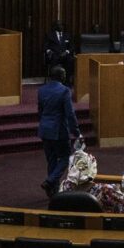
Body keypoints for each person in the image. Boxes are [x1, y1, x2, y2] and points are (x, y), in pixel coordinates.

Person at [38, 66, 81, 197]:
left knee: (51, 160)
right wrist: (76, 132)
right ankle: (50, 181)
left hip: (45, 130)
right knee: (65, 158)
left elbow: (40, 111)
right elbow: (70, 114)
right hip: (59, 131)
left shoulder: (41, 90)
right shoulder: (64, 91)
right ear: (61, 77)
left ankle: (53, 191)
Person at [59, 150, 124, 213]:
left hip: (73, 225)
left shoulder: (64, 186)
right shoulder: (106, 190)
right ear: (93, 169)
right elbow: (123, 209)